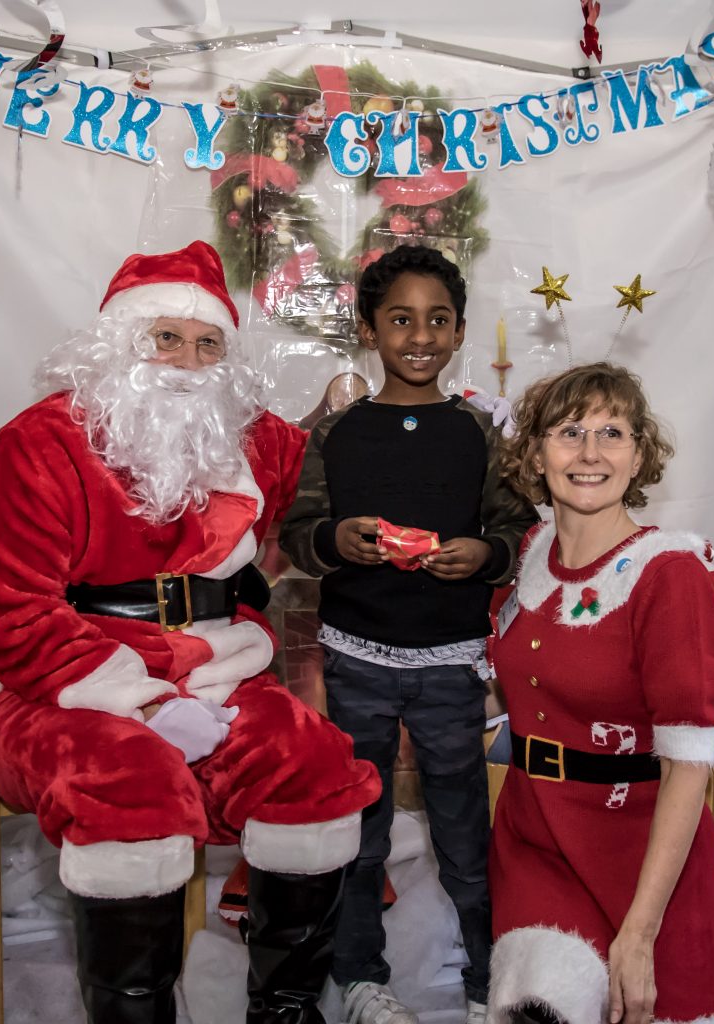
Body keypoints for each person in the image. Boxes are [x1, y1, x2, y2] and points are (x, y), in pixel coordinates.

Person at [0, 240, 381, 1024]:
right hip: (48, 672)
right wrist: (137, 705)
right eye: (165, 337)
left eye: (208, 343)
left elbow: (353, 457)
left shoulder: (251, 441)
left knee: (310, 763)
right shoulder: (39, 442)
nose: (186, 361)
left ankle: (285, 1010)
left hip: (211, 663)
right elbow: (13, 614)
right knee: (126, 781)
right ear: (119, 343)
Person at [279, 245, 539, 1024]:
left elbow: (516, 524)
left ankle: (489, 977)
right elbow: (298, 533)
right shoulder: (339, 435)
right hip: (355, 657)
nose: (419, 336)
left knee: (464, 826)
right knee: (362, 828)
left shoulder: (478, 433)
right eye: (401, 320)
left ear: (459, 331)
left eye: (437, 320)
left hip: (451, 665)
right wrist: (338, 540)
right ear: (370, 329)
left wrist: (485, 555)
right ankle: (362, 977)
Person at [487, 362, 714, 1024]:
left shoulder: (670, 575)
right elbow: (517, 689)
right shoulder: (531, 554)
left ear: (639, 455)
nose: (591, 452)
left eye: (613, 432)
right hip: (534, 839)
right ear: (537, 452)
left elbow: (690, 761)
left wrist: (640, 932)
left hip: (643, 849)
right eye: (570, 431)